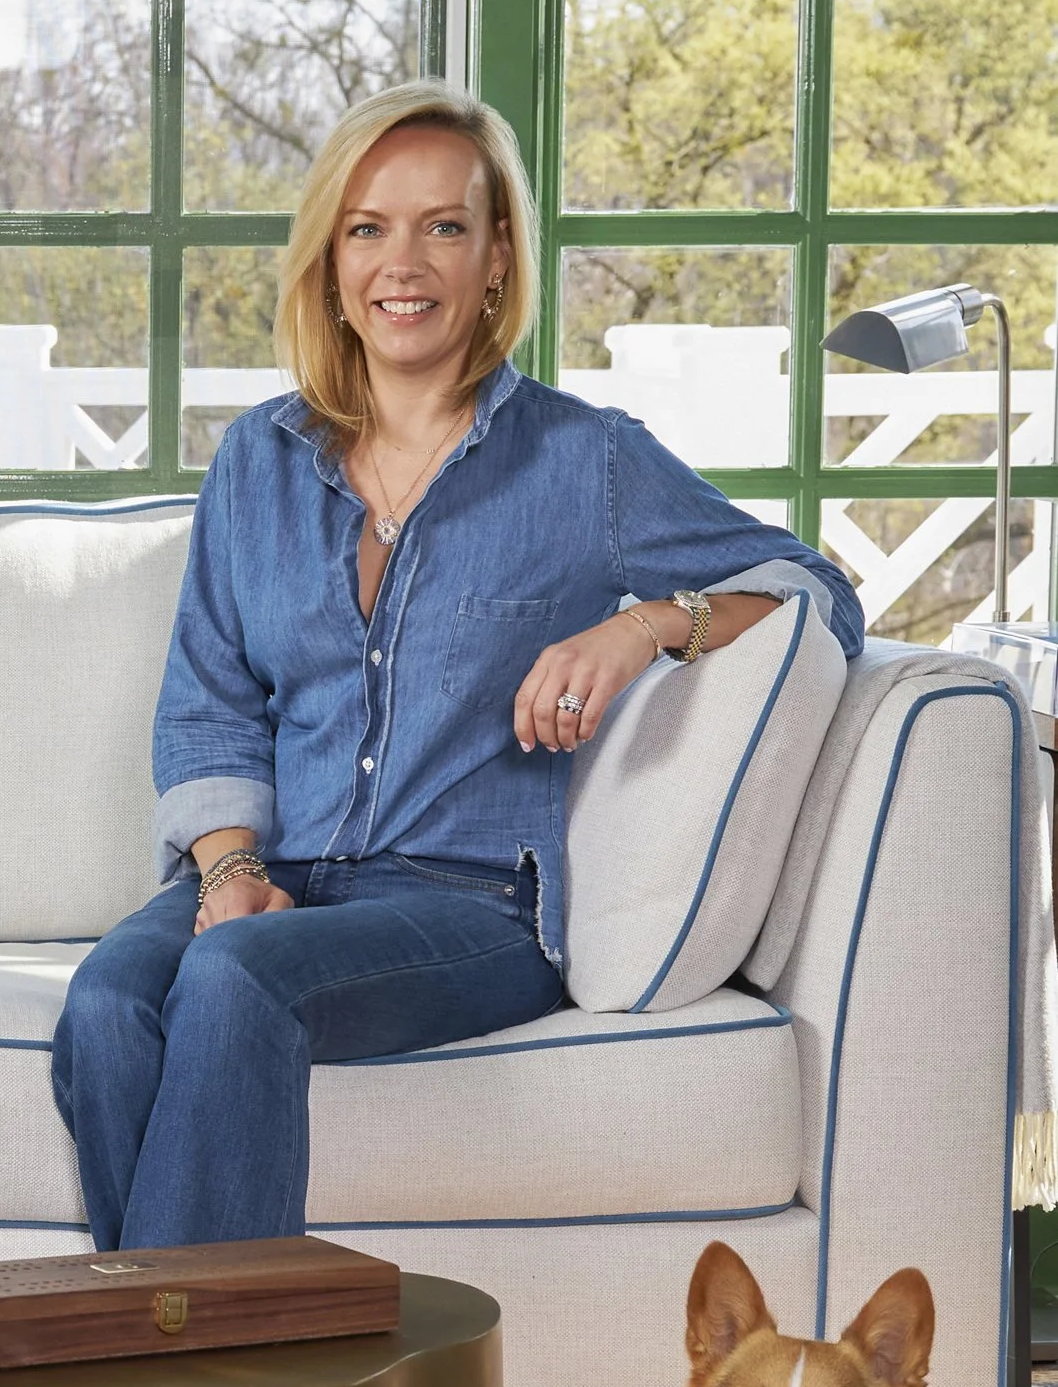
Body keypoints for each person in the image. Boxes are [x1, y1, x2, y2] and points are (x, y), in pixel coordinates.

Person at [50, 81, 863, 1252]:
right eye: (368, 227)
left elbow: (815, 591)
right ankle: (178, 1376)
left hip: (470, 905)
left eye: (444, 225)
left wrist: (643, 629)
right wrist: (228, 870)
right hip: (278, 869)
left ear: (494, 258)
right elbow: (209, 703)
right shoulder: (256, 464)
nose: (403, 261)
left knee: (235, 984)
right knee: (110, 1003)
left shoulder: (583, 463)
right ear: (330, 260)